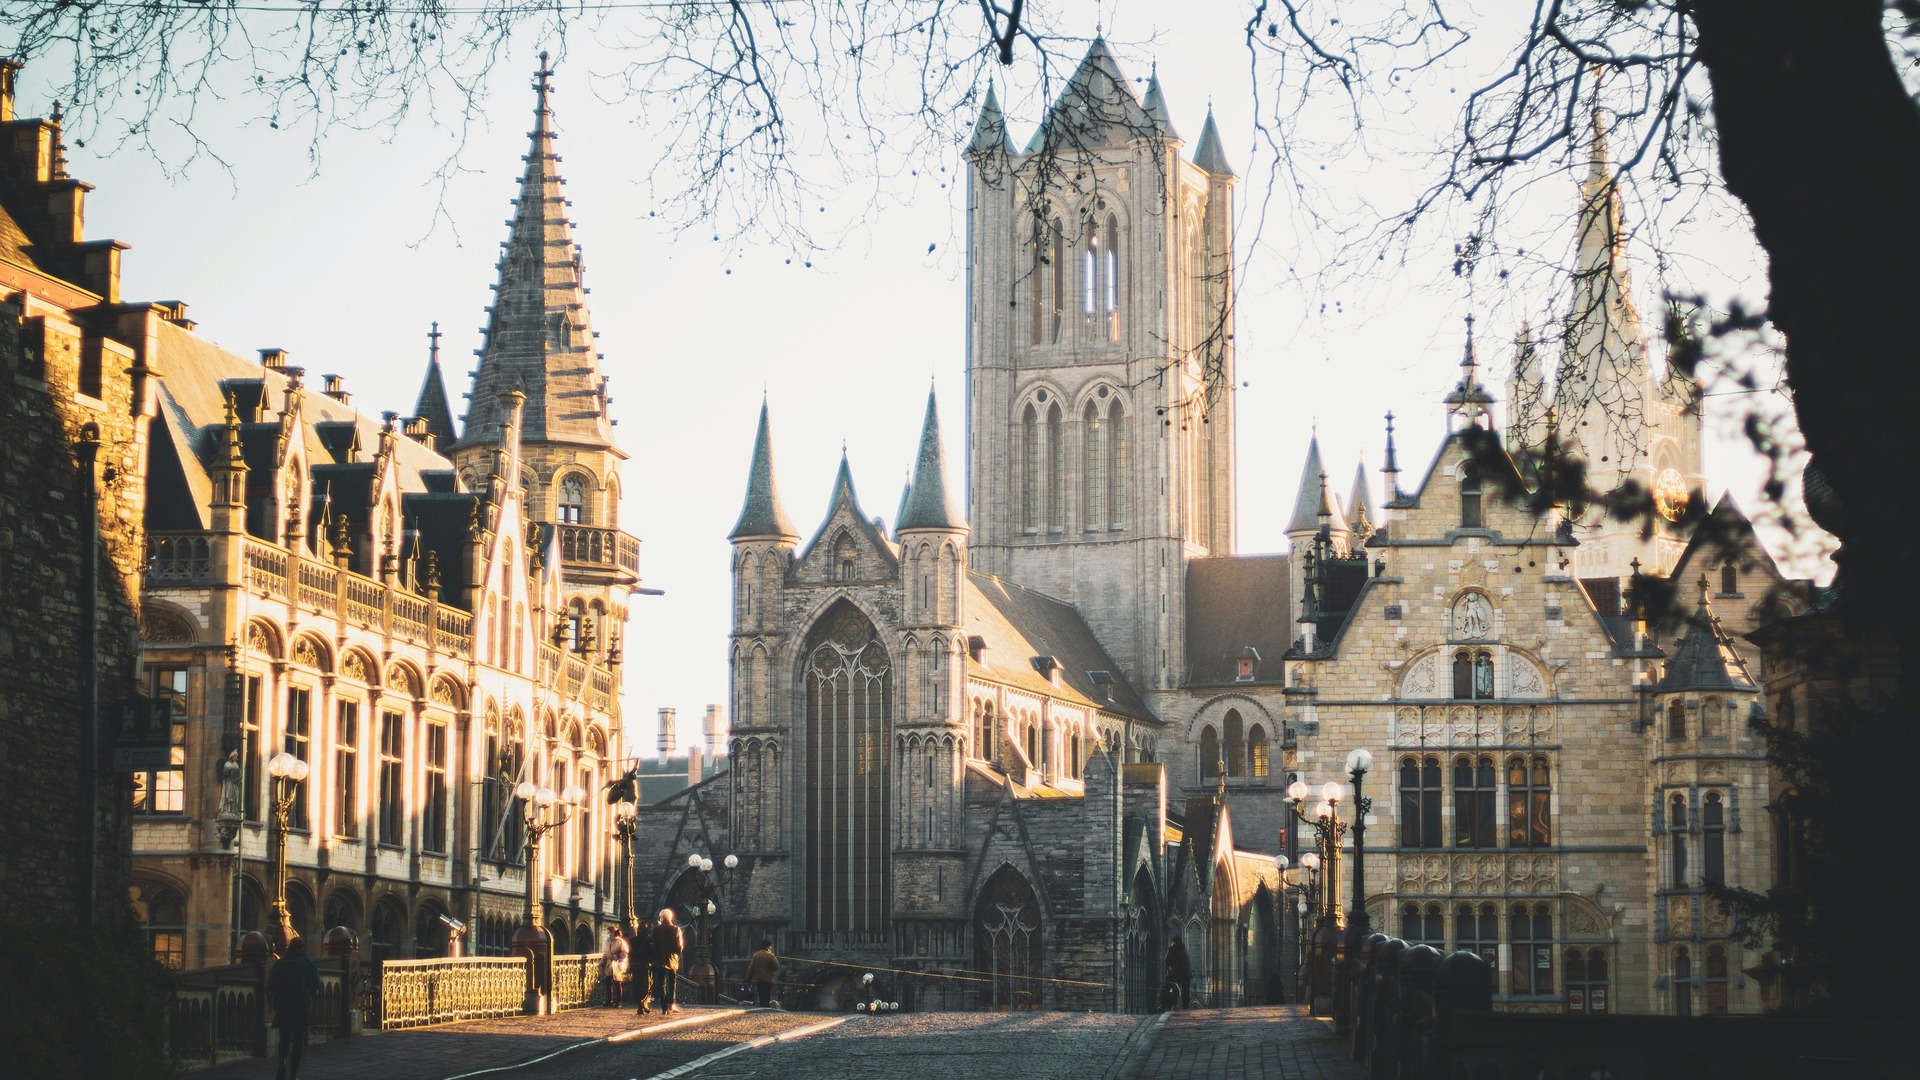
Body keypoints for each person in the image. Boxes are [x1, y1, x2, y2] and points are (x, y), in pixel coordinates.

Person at [267, 936, 321, 1080]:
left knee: (284, 1040)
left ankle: (282, 1066)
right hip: (300, 1008)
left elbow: (271, 984)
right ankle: (293, 1075)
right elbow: (316, 983)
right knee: (297, 1042)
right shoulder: (307, 963)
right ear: (302, 948)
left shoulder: (280, 963)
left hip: (283, 1008)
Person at [653, 908, 685, 1013]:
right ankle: (671, 1003)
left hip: (659, 959)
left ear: (661, 917)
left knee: (661, 983)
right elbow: (679, 946)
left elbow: (654, 945)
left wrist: (656, 956)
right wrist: (677, 957)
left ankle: (663, 1006)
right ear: (670, 917)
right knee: (672, 982)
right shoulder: (676, 929)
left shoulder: (656, 929)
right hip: (672, 959)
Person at [628, 916, 657, 1014]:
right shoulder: (648, 940)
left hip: (635, 965)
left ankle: (640, 1005)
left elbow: (630, 954)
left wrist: (629, 966)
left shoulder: (632, 941)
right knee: (646, 986)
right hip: (645, 966)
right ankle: (644, 1002)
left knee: (636, 985)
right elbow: (653, 953)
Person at [602, 924, 631, 1007]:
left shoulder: (620, 941)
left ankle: (618, 1001)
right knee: (608, 982)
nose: (608, 934)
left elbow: (625, 952)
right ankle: (609, 1000)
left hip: (617, 964)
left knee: (617, 983)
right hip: (609, 964)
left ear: (613, 933)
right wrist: (602, 962)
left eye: (609, 933)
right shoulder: (608, 942)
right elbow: (606, 953)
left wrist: (616, 956)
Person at [746, 939, 780, 1008]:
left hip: (759, 979)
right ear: (768, 947)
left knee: (760, 993)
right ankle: (766, 1007)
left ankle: (761, 1006)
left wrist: (748, 978)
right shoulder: (771, 955)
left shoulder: (756, 955)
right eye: (770, 947)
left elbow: (751, 968)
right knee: (767, 994)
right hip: (768, 979)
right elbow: (776, 966)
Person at [1164, 936, 1193, 1011]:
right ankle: (1185, 1006)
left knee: (1171, 987)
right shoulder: (1184, 950)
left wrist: (1169, 967)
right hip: (1187, 973)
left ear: (1174, 942)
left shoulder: (1172, 949)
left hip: (1176, 972)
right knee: (1186, 990)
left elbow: (1167, 959)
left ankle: (1171, 1004)